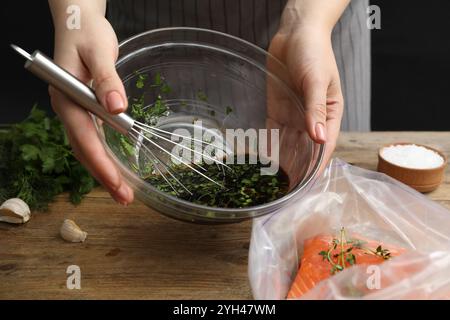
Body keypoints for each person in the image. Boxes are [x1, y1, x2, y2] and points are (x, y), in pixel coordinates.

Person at [48, 0, 370, 206]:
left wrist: (308, 22)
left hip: (313, 31)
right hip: (157, 37)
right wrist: (78, 15)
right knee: (140, 183)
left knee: (324, 198)